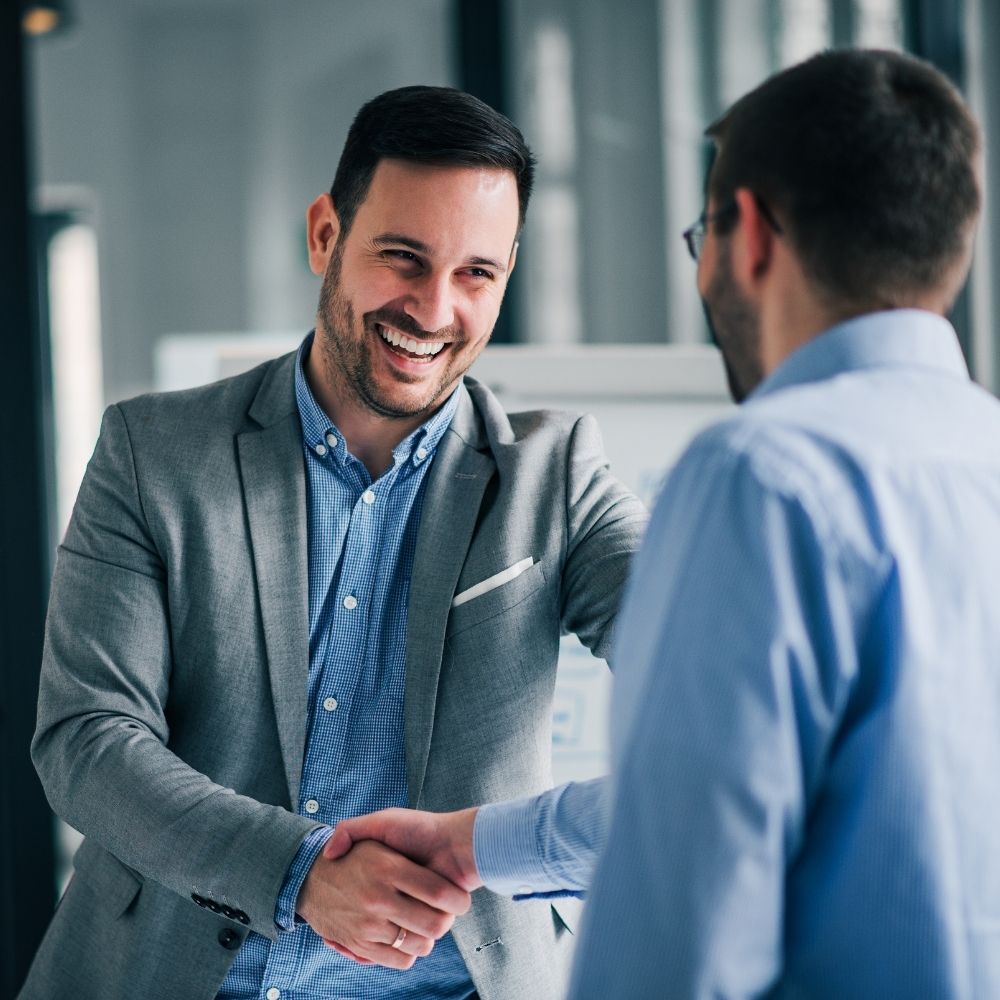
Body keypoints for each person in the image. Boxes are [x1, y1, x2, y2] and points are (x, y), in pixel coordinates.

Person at [327, 48, 1000, 998]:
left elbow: (682, 886)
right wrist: (474, 843)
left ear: (751, 236)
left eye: (703, 236)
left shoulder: (763, 476)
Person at [21, 85, 646, 1000]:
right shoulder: (152, 454)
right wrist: (300, 872)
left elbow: (715, 682)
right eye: (403, 257)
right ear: (325, 235)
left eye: (477, 274)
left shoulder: (557, 477)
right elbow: (87, 740)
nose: (434, 310)